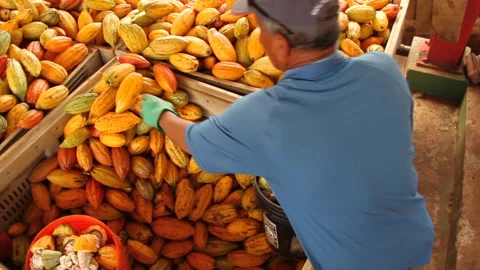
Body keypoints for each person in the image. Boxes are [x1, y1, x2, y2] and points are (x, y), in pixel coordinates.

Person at [140, 0, 435, 269]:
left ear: (280, 45)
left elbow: (194, 141)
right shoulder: (384, 69)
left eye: (261, 30)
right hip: (411, 238)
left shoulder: (266, 115)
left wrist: (161, 115)